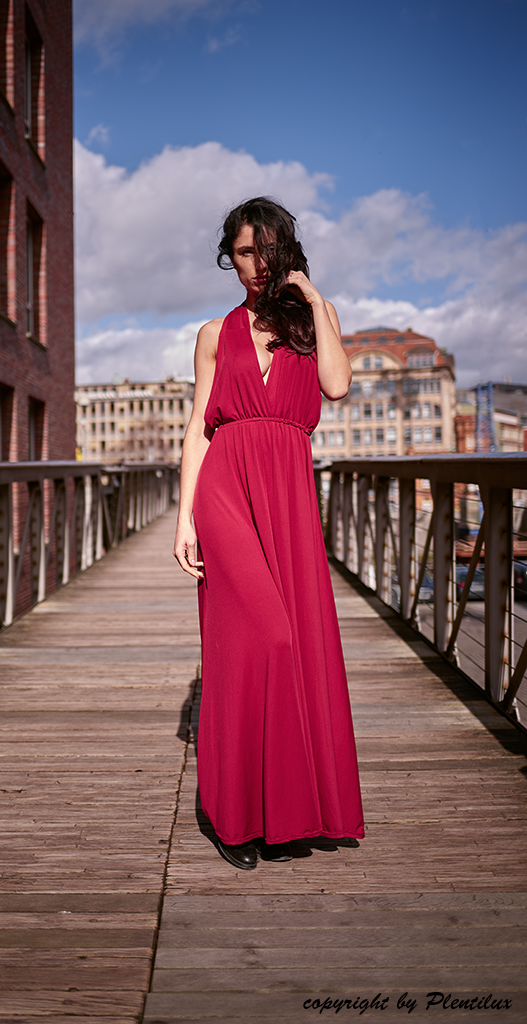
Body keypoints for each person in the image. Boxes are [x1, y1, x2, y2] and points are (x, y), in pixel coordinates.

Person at [173, 196, 364, 870]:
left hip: (284, 494)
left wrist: (310, 299)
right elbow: (199, 428)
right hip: (225, 488)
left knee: (285, 644)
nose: (256, 265)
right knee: (259, 637)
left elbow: (336, 386)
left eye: (267, 250)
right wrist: (184, 519)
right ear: (230, 256)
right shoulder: (210, 334)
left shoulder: (315, 321)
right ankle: (228, 812)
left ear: (286, 251)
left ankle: (272, 812)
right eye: (244, 252)